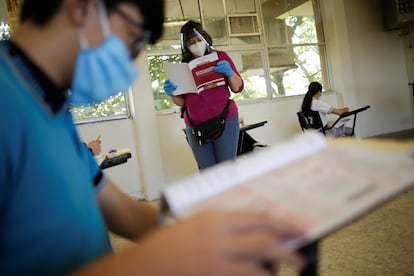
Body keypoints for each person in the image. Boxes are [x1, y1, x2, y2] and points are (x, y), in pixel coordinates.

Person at [0, 0, 306, 275]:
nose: (130, 59)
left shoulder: (46, 101)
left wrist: (199, 234)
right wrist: (154, 260)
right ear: (81, 6)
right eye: (133, 38)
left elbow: (115, 206)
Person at [163, 20, 244, 170]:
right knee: (207, 172)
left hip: (225, 119)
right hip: (195, 125)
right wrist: (172, 92)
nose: (196, 44)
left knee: (226, 169)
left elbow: (238, 87)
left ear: (205, 38)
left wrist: (229, 72)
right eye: (191, 42)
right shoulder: (183, 67)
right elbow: (181, 102)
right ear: (185, 47)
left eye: (198, 40)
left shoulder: (220, 56)